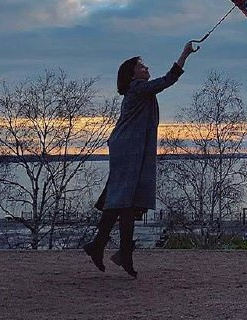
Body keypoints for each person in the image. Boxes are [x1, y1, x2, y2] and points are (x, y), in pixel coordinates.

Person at [84, 41, 196, 277]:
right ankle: (115, 251)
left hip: (133, 149)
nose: (146, 69)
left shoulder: (139, 90)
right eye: (142, 66)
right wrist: (184, 54)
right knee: (122, 201)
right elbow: (168, 80)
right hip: (127, 149)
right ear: (132, 73)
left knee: (125, 202)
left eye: (145, 66)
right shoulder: (137, 88)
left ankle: (106, 248)